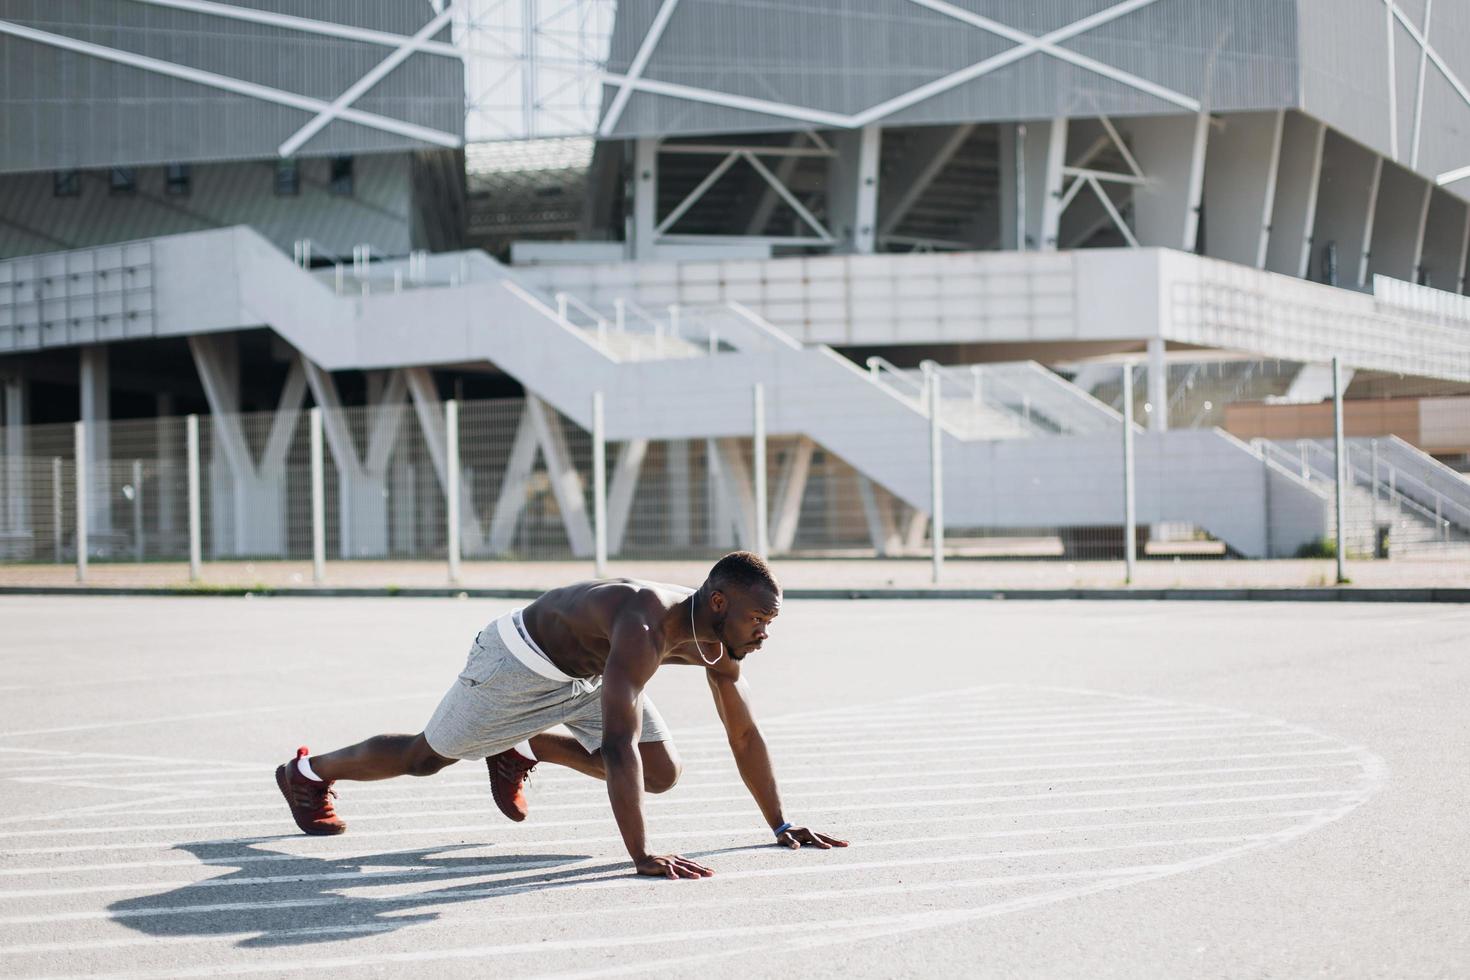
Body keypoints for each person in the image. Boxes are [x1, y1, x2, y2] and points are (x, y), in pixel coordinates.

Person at [276, 551, 847, 879]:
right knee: (426, 757)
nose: (765, 632)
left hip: (590, 675)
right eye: (758, 619)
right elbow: (618, 745)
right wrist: (641, 855)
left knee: (663, 772)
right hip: (518, 660)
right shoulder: (645, 623)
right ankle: (306, 774)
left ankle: (526, 747)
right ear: (720, 603)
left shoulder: (721, 645)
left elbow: (743, 734)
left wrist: (779, 824)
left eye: (770, 622)